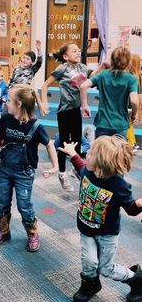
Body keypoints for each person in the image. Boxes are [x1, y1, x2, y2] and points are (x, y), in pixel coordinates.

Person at [59, 136, 142, 302]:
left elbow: (131, 209)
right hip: (86, 229)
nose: (86, 153)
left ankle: (136, 279)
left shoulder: (119, 186)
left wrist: (139, 204)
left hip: (107, 235)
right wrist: (72, 153)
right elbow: (80, 165)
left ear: (102, 163)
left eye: (90, 153)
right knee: (88, 261)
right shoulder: (89, 171)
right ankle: (90, 285)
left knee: (106, 268)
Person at [0, 84, 58, 252]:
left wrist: (55, 166)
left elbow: (49, 144)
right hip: (5, 169)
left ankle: (32, 234)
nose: (6, 102)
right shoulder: (7, 119)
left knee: (24, 206)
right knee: (2, 202)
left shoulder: (35, 127)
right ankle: (3, 231)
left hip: (24, 173)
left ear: (19, 104)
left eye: (9, 100)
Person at [41, 43, 105, 192]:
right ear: (65, 56)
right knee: (64, 143)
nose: (78, 52)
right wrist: (45, 102)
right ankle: (62, 173)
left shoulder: (82, 67)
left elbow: (93, 77)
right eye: (74, 51)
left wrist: (103, 66)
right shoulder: (62, 68)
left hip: (76, 110)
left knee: (76, 143)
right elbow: (45, 86)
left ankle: (76, 170)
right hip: (64, 111)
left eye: (79, 50)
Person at [80, 47, 139, 139]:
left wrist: (84, 105)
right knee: (118, 152)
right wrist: (134, 115)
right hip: (120, 123)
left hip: (103, 122)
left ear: (112, 60)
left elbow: (83, 86)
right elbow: (134, 101)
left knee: (101, 151)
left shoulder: (103, 75)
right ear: (128, 61)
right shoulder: (131, 78)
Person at [126, 54, 142, 152]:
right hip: (132, 103)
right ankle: (132, 142)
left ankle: (131, 143)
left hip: (130, 103)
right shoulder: (136, 76)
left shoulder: (134, 77)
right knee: (130, 124)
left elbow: (139, 94)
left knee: (129, 124)